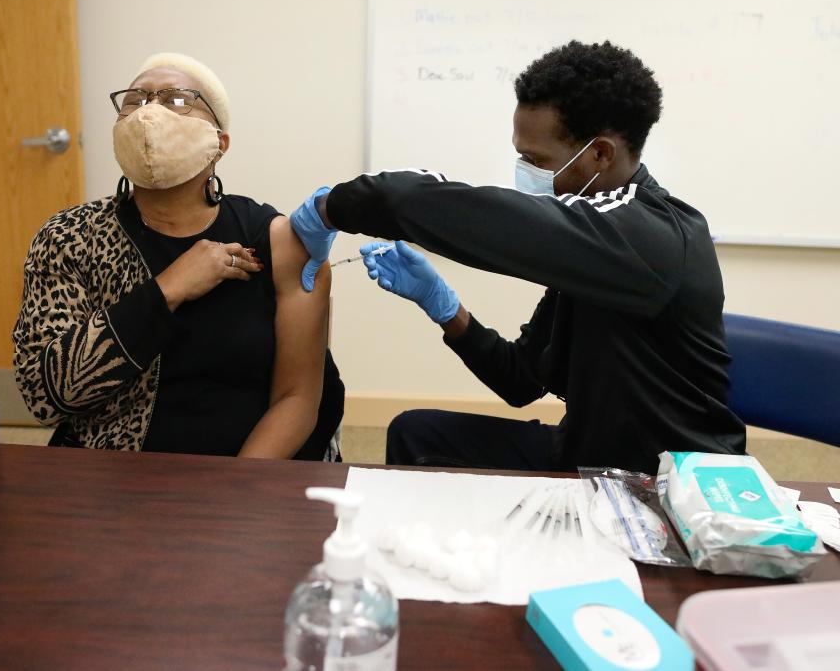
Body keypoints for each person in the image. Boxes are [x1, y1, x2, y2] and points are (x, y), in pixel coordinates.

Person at [290, 40, 744, 475]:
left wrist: (333, 208)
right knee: (417, 433)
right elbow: (521, 381)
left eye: (535, 159)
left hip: (665, 481)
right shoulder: (597, 242)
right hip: (586, 454)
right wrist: (443, 306)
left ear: (600, 154)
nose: (524, 173)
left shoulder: (650, 236)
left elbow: (430, 204)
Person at [14, 52, 343, 459]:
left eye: (176, 99)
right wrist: (168, 289)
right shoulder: (69, 238)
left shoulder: (276, 240)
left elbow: (297, 399)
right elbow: (47, 393)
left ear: (218, 144)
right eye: (135, 99)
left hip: (250, 477)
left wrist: (232, 494)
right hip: (113, 469)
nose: (149, 112)